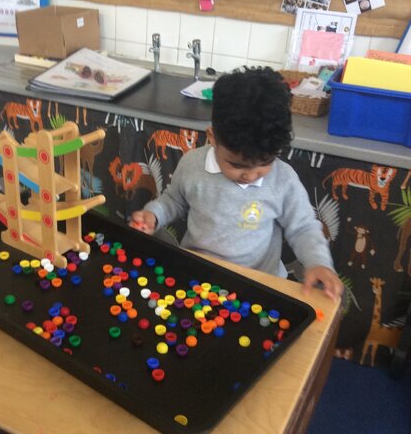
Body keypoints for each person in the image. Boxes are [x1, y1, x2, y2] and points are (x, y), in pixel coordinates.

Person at [130, 67, 343, 303]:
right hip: (197, 276)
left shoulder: (284, 180)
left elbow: (303, 227)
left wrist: (319, 262)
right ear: (212, 137)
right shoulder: (192, 164)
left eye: (265, 163)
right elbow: (174, 200)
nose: (250, 175)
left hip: (257, 285)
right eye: (237, 165)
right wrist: (154, 214)